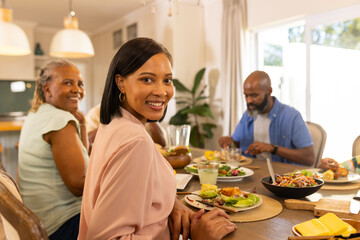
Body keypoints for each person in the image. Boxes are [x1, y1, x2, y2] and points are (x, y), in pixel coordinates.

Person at [78, 37, 236, 240]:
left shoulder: (113, 124)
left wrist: (170, 204)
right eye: (147, 79)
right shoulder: (135, 142)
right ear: (120, 83)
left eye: (167, 80)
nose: (162, 91)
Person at [18, 60, 89, 239]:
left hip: (40, 220)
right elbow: (78, 185)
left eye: (80, 84)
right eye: (67, 83)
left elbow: (82, 158)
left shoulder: (36, 113)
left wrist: (83, 123)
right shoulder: (59, 120)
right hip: (63, 225)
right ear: (47, 89)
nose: (77, 89)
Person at [219, 71, 315, 166]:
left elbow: (309, 158)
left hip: (281, 176)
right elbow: (237, 143)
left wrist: (273, 148)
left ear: (269, 91)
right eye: (246, 95)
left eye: (254, 95)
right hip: (253, 171)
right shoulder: (248, 115)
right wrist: (229, 140)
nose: (248, 101)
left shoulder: (291, 116)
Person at [86, 104, 167, 150]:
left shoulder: (142, 111)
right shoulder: (98, 111)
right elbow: (88, 141)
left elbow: (162, 144)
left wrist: (149, 118)